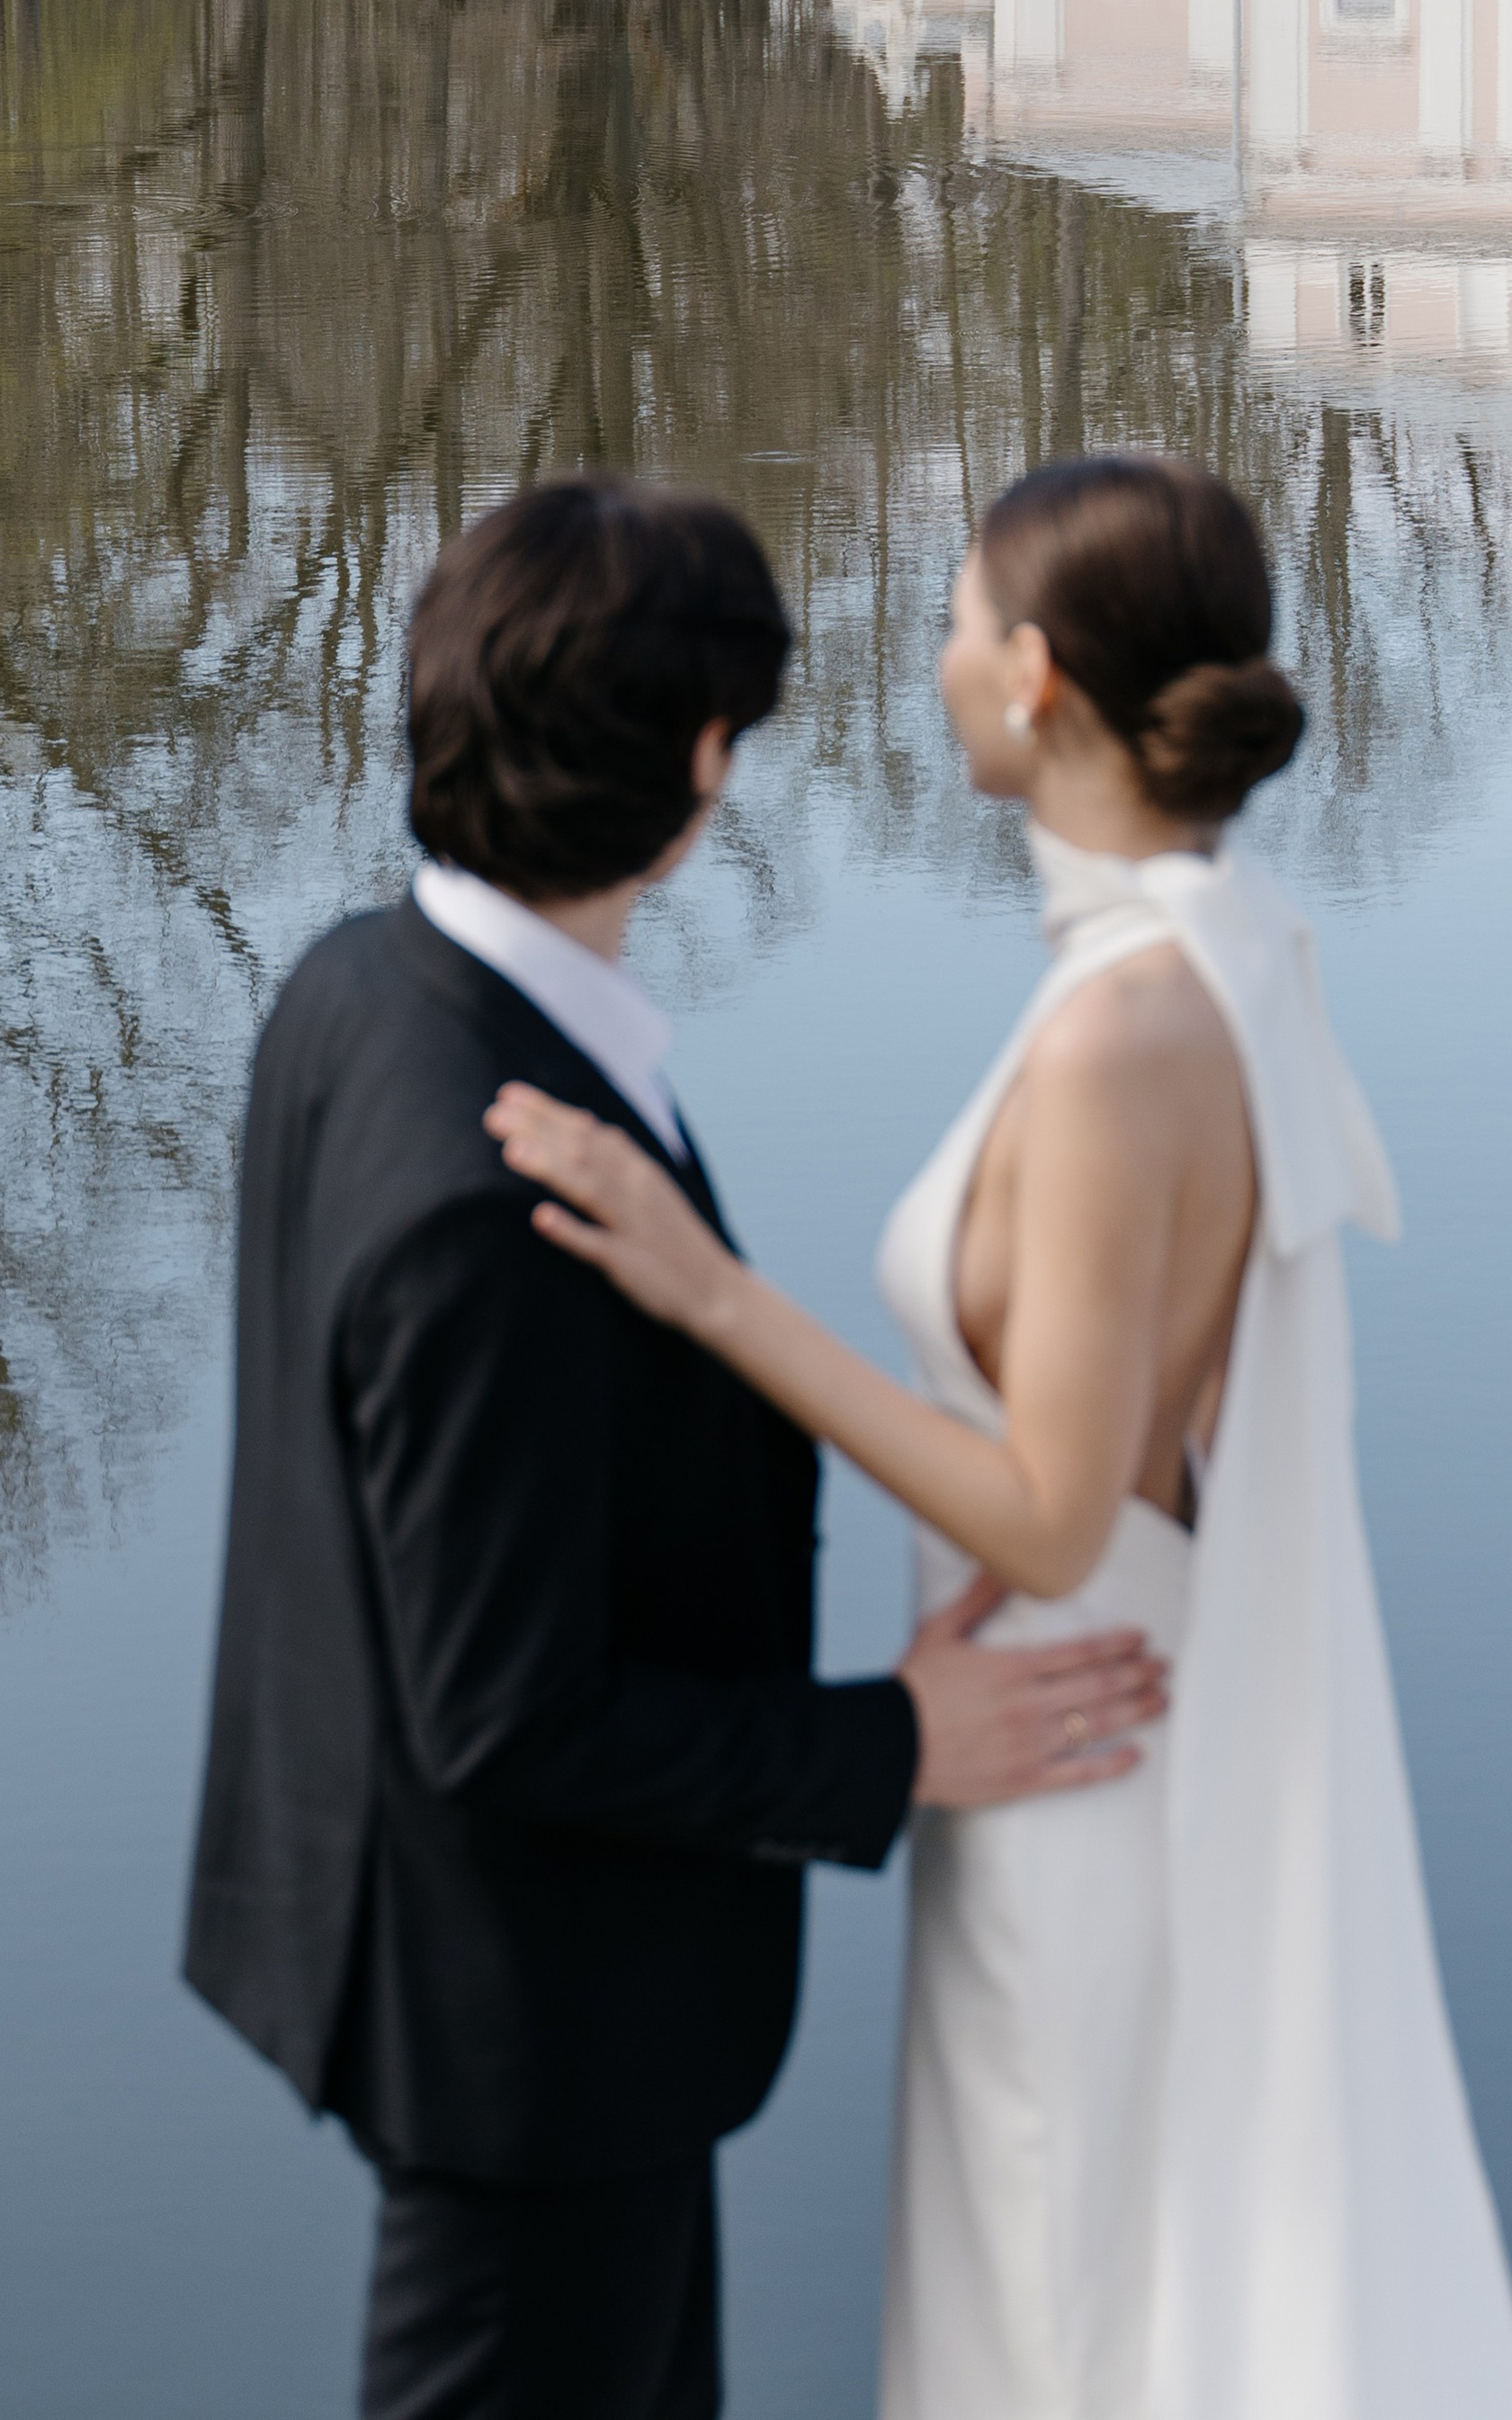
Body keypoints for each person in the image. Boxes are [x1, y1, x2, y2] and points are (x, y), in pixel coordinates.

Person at [488, 453, 1512, 2420]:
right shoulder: (1199, 963)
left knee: (1056, 2329)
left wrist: (711, 1294)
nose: (934, 655)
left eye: (955, 620)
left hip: (1076, 1768)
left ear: (1031, 676)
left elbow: (1052, 1515)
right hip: (1074, 1739)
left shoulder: (1130, 1034)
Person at [183, 475, 1169, 2420]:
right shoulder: (499, 1197)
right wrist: (885, 1746)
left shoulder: (355, 988)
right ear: (699, 768)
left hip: (449, 1959)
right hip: (525, 2030)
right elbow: (507, 1717)